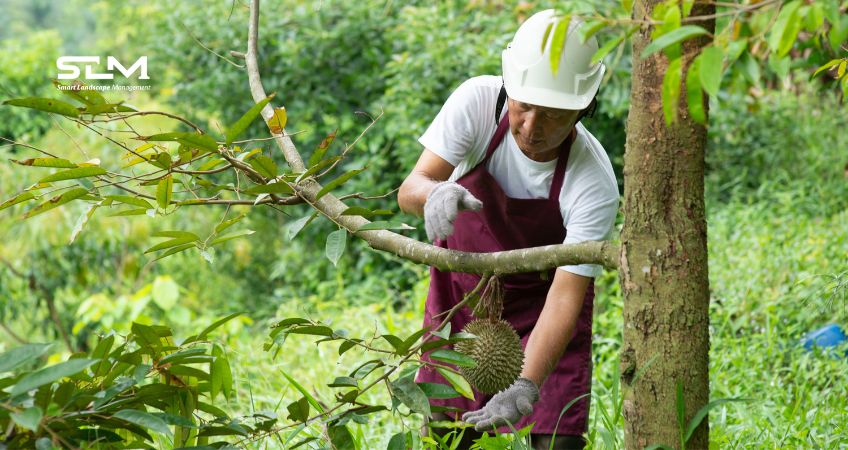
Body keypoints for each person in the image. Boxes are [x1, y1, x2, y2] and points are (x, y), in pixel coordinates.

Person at [397, 9, 619, 450]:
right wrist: (436, 193)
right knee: (446, 437)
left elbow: (566, 293)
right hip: (460, 301)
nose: (532, 128)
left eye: (554, 115)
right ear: (508, 88)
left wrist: (526, 382)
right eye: (524, 107)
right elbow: (411, 188)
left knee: (557, 441)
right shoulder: (477, 103)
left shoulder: (593, 181)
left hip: (543, 311)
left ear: (583, 108)